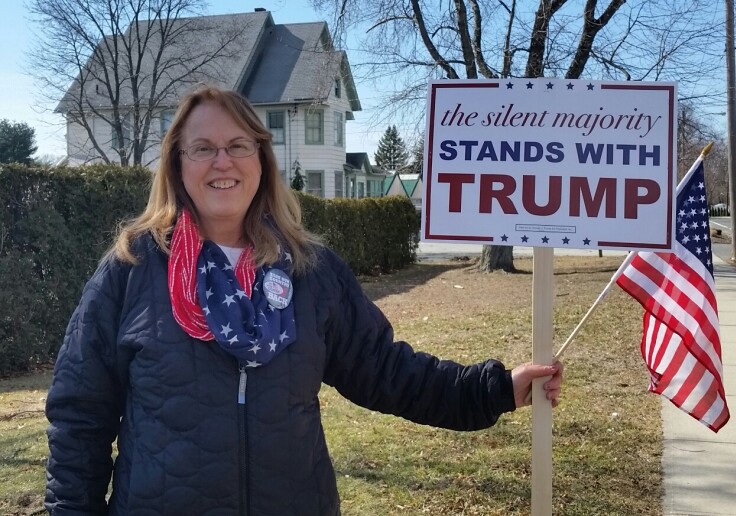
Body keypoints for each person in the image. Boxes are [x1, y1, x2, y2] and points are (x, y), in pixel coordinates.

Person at [44, 85, 563, 515]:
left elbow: (386, 371)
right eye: (202, 148)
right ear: (178, 165)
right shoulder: (132, 268)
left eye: (238, 145)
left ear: (261, 159)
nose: (221, 161)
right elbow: (80, 416)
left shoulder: (309, 270)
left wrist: (493, 389)